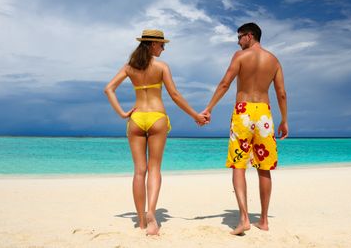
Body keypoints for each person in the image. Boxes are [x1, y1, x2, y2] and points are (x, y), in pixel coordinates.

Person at [104, 29, 207, 236]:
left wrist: (123, 113)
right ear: (152, 44)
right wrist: (196, 115)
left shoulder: (130, 67)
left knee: (139, 171)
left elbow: (109, 89)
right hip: (157, 118)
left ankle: (141, 221)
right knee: (154, 169)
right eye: (161, 45)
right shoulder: (161, 67)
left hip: (136, 118)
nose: (163, 48)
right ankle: (151, 212)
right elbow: (175, 95)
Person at [201, 22, 288, 235]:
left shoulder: (240, 57)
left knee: (238, 165)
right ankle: (264, 220)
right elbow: (281, 93)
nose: (238, 41)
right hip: (265, 115)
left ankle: (244, 219)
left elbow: (225, 84)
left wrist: (208, 108)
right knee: (264, 167)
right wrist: (284, 120)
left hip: (243, 112)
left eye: (239, 37)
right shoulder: (274, 60)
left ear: (249, 36)